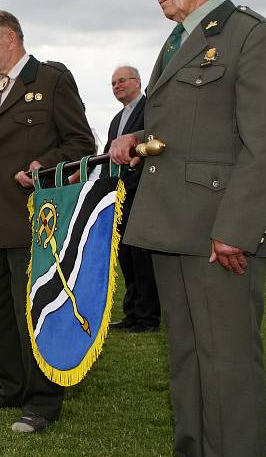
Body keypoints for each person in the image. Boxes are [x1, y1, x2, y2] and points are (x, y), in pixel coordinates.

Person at [109, 0, 266, 457]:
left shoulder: (247, 35)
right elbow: (187, 136)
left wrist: (237, 227)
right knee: (186, 358)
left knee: (227, 364)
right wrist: (134, 140)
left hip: (219, 233)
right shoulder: (176, 42)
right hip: (171, 227)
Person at [0, 10, 95, 433]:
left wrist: (46, 165)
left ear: (10, 39)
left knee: (33, 315)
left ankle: (43, 401)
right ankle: (12, 387)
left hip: (34, 221)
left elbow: (80, 142)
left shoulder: (51, 80)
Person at [104, 65, 160, 333]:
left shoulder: (151, 109)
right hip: (121, 194)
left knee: (143, 257)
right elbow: (108, 158)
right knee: (125, 255)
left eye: (122, 80)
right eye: (113, 83)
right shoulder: (117, 119)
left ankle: (148, 317)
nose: (117, 86)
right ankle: (132, 313)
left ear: (138, 82)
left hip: (145, 194)